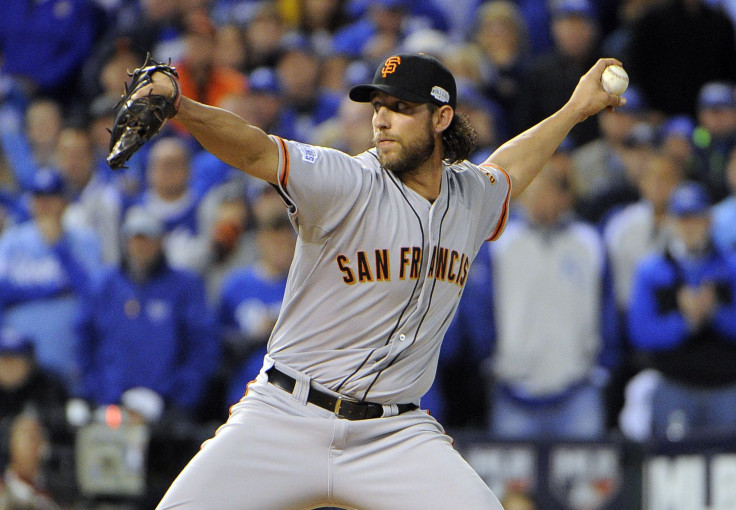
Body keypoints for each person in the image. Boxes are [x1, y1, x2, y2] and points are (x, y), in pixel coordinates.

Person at [135, 51, 624, 509]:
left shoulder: (470, 197)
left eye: (401, 107)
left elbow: (510, 169)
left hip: (394, 435)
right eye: (377, 106)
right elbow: (256, 150)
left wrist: (575, 110)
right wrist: (182, 107)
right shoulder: (345, 180)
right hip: (284, 414)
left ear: (441, 118)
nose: (381, 119)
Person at [77, 206, 219, 424]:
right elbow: (84, 343)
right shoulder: (103, 285)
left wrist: (180, 397)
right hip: (111, 405)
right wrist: (100, 392)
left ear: (161, 241)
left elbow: (202, 346)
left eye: (148, 238)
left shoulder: (185, 286)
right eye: (135, 239)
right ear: (125, 241)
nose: (141, 246)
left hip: (168, 410)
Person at [627, 181, 736, 440]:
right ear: (670, 221)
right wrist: (685, 321)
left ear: (709, 219)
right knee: (673, 467)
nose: (690, 226)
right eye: (683, 217)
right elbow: (641, 333)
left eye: (696, 217)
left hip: (726, 384)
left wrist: (713, 313)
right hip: (674, 383)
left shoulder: (731, 268)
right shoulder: (651, 271)